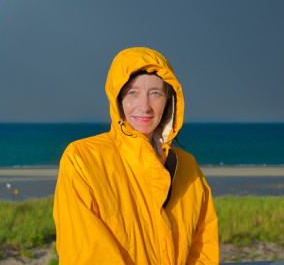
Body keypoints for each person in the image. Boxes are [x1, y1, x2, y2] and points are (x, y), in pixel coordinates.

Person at [53, 47, 219, 265]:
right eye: (133, 92)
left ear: (169, 100)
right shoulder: (83, 158)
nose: (145, 106)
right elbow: (86, 253)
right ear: (117, 99)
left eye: (155, 93)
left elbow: (202, 247)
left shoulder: (187, 166)